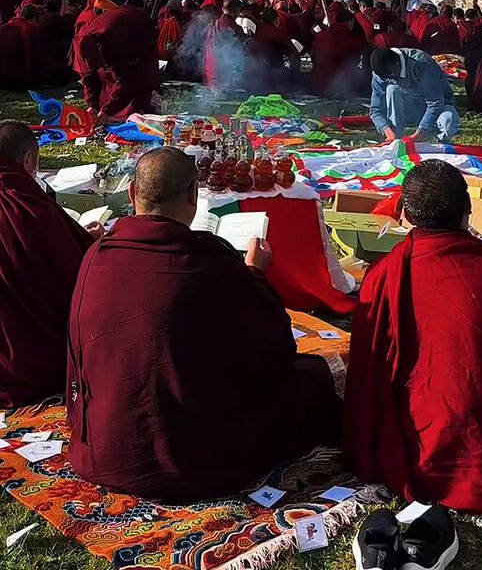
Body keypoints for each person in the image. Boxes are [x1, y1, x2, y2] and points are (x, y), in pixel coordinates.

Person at [67, 148, 340, 502]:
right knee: (313, 378)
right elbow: (273, 350)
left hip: (107, 450)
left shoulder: (97, 255)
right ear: (194, 197)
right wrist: (255, 274)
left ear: (132, 193)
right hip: (195, 460)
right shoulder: (211, 262)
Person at [344, 161, 482, 513]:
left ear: (403, 213)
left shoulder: (384, 275)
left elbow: (367, 375)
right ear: (468, 210)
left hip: (424, 458)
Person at [0, 121, 94, 408]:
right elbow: (78, 273)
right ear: (28, 160)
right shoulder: (28, 206)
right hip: (33, 365)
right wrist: (88, 241)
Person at [77, 0, 160, 121]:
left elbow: (124, 79)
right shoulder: (83, 43)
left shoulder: (112, 39)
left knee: (142, 77)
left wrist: (108, 110)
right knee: (107, 76)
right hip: (118, 34)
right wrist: (92, 104)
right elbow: (88, 74)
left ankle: (139, 111)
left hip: (142, 36)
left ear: (99, 48)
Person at [369, 47, 460, 142]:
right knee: (392, 90)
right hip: (410, 110)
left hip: (439, 107)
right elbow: (376, 110)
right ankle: (397, 137)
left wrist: (419, 133)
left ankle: (439, 141)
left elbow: (435, 102)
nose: (390, 80)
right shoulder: (380, 73)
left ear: (397, 64)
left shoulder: (421, 63)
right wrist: (388, 132)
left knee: (448, 122)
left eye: (391, 77)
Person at [311, 3, 368, 97]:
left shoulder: (320, 36)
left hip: (319, 83)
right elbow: (356, 62)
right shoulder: (354, 40)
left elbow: (313, 57)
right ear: (349, 22)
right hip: (343, 85)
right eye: (352, 23)